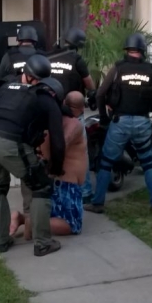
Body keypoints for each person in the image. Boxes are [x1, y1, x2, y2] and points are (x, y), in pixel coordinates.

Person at [0, 54, 65, 257]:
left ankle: (1, 241)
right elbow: (58, 141)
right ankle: (42, 243)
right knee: (41, 187)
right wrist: (55, 167)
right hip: (9, 144)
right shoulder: (44, 98)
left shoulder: (5, 89)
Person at [85, 33, 152, 214]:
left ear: (127, 50)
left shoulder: (118, 68)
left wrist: (104, 118)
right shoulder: (151, 70)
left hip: (120, 122)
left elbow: (100, 94)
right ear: (143, 50)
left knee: (106, 163)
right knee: (148, 164)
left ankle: (98, 203)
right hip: (142, 122)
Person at [10, 91, 88, 237]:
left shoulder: (50, 122)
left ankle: (22, 219)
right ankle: (31, 224)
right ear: (82, 108)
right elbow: (61, 145)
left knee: (54, 216)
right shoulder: (74, 124)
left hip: (57, 182)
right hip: (66, 185)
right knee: (72, 225)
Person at [47, 27, 97, 202]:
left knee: (49, 149)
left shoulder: (49, 56)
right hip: (72, 112)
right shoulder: (77, 60)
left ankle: (50, 187)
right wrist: (93, 94)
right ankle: (85, 192)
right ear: (78, 45)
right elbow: (89, 84)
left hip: (50, 110)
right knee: (80, 151)